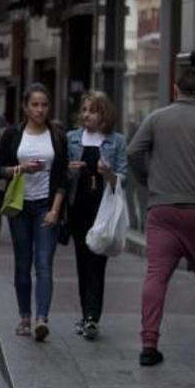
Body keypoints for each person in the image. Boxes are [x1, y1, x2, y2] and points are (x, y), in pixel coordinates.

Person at [127, 67, 195, 366]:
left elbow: (134, 151)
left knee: (156, 275)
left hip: (162, 211)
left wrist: (148, 179)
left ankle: (149, 344)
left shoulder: (157, 118)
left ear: (175, 89)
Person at [0, 83, 68, 342]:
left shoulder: (57, 135)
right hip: (20, 207)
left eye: (44, 105)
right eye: (34, 104)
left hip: (46, 206)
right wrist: (20, 169)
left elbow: (63, 177)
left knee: (44, 263)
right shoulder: (13, 134)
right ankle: (25, 315)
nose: (39, 109)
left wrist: (55, 210)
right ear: (25, 107)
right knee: (23, 264)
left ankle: (41, 319)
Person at [65, 91, 128, 341]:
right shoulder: (72, 138)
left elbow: (125, 177)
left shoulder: (117, 141)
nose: (86, 115)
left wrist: (110, 175)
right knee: (82, 262)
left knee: (98, 263)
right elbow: (61, 174)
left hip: (102, 210)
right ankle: (85, 314)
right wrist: (69, 171)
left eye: (92, 110)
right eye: (84, 110)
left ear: (104, 114)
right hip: (78, 206)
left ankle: (93, 317)